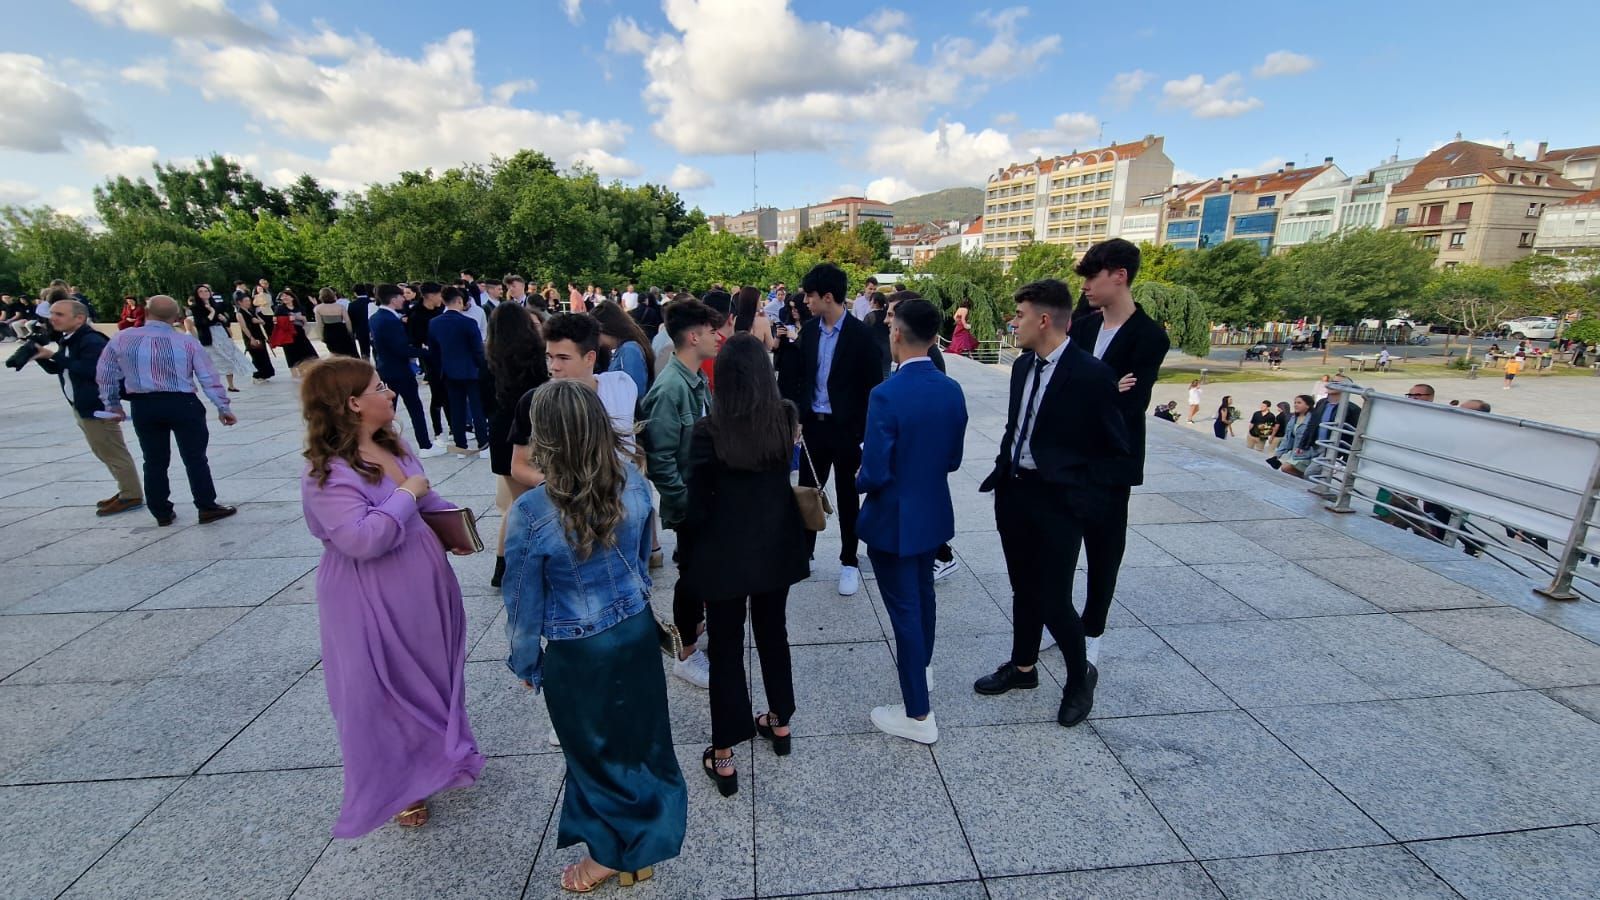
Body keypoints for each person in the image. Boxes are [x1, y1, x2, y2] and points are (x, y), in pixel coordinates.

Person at [503, 380, 686, 893]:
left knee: (594, 755)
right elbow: (646, 554)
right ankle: (642, 840)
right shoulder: (630, 480)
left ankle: (611, 854)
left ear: (547, 437)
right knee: (642, 743)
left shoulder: (533, 511)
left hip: (578, 649)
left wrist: (525, 663)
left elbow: (521, 603)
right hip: (634, 631)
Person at [298, 357, 484, 837]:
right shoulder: (327, 472)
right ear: (354, 403)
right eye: (380, 387)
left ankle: (436, 759)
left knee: (429, 674)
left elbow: (423, 500)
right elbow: (361, 540)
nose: (391, 392)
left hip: (421, 584)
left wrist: (452, 520)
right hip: (367, 595)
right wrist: (407, 492)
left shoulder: (392, 445)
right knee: (381, 689)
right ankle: (401, 785)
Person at [972, 278, 1130, 728]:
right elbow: (1015, 426)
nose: (1012, 322)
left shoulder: (1090, 374)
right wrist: (1005, 470)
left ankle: (1080, 678)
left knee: (1054, 598)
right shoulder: (1023, 366)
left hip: (1059, 502)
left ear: (1044, 319)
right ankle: (1023, 669)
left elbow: (1115, 450)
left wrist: (1078, 498)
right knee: (1024, 586)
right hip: (1015, 491)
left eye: (1019, 315)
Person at [681, 334, 809, 793]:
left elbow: (695, 509)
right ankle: (779, 720)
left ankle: (724, 753)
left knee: (728, 650)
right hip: (776, 546)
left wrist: (686, 557)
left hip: (724, 554)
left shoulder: (708, 432)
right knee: (774, 633)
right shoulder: (786, 418)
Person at [858, 298, 967, 744]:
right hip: (932, 511)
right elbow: (954, 460)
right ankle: (922, 671)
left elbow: (877, 472)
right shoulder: (950, 388)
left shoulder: (886, 394)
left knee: (904, 611)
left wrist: (860, 472)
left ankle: (918, 714)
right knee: (923, 599)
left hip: (894, 520)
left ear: (898, 334)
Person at [1061, 238, 1171, 661]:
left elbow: (1130, 405)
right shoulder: (1084, 327)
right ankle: (1066, 621)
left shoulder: (1148, 336)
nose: (1086, 286)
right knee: (1063, 545)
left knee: (1104, 548)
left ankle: (1093, 631)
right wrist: (1107, 384)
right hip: (1070, 457)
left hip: (1112, 461)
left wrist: (1097, 389)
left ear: (1119, 276)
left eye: (1093, 276)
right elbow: (1063, 389)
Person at [777, 263, 884, 597]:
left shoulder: (861, 335)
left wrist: (862, 432)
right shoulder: (809, 331)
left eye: (810, 295)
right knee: (808, 491)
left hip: (846, 430)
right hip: (813, 427)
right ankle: (804, 554)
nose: (804, 301)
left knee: (849, 496)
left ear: (828, 296)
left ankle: (849, 561)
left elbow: (873, 386)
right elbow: (799, 380)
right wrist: (796, 417)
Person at [96, 295, 239, 527]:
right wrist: (223, 407)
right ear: (175, 317)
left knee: (154, 460)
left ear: (146, 312)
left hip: (144, 405)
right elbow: (208, 377)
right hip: (182, 403)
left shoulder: (122, 338)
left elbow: (106, 374)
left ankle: (161, 511)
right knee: (195, 458)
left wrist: (112, 405)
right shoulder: (186, 342)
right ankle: (206, 506)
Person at [642, 300, 720, 687]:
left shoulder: (695, 377)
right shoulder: (671, 387)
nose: (717, 337)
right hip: (690, 502)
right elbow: (661, 460)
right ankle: (686, 653)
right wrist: (685, 504)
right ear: (693, 336)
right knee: (690, 574)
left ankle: (695, 631)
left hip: (705, 496)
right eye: (710, 331)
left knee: (700, 570)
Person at [30, 294, 144, 516]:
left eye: (59, 314)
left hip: (98, 406)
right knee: (102, 449)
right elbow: (63, 368)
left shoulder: (91, 340)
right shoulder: (71, 337)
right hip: (83, 405)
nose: (53, 318)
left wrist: (54, 355)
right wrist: (41, 357)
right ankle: (125, 489)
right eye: (52, 313)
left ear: (80, 318)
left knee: (112, 451)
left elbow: (94, 371)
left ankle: (131, 495)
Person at [485, 302, 549, 587]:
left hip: (500, 429)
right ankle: (506, 564)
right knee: (521, 505)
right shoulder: (534, 354)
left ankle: (504, 564)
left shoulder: (488, 357)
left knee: (514, 502)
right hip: (528, 428)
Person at [369, 284, 445, 460]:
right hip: (399, 370)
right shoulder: (389, 320)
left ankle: (384, 445)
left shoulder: (376, 317)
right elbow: (401, 348)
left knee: (388, 410)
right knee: (415, 408)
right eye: (401, 296)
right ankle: (425, 445)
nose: (404, 299)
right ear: (393, 298)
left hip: (385, 368)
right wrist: (427, 351)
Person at [428, 287, 490, 459]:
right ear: (459, 301)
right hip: (471, 372)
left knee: (456, 411)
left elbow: (434, 352)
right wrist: (483, 368)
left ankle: (461, 447)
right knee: (477, 409)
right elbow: (478, 351)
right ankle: (483, 445)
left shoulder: (434, 323)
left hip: (448, 372)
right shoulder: (468, 323)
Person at [187, 286, 248, 393]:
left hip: (220, 332)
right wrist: (211, 312)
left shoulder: (216, 304)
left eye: (206, 291)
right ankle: (213, 385)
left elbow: (223, 319)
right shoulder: (196, 307)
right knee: (212, 360)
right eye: (200, 291)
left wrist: (223, 319)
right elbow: (201, 323)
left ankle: (231, 385)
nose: (204, 293)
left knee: (228, 357)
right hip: (208, 335)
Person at [593, 300, 655, 397]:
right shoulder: (623, 350)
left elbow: (635, 391)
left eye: (596, 334)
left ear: (607, 328)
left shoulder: (629, 350)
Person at [273, 289, 320, 375]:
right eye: (283, 296)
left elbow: (304, 320)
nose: (284, 298)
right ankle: (294, 374)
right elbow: (275, 320)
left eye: (287, 296)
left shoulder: (299, 307)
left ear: (292, 297)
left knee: (307, 352)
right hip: (287, 333)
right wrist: (288, 319)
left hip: (300, 333)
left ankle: (304, 371)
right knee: (291, 354)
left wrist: (300, 318)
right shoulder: (280, 308)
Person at [235, 292, 276, 382]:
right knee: (256, 357)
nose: (248, 302)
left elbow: (261, 321)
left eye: (249, 300)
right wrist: (251, 338)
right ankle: (256, 376)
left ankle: (264, 375)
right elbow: (244, 327)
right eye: (245, 301)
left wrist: (258, 321)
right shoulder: (239, 313)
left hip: (259, 334)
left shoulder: (251, 311)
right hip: (251, 336)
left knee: (263, 355)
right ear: (239, 302)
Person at [1274, 395, 1318, 477]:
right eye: (1295, 403)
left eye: (1299, 403)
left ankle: (1307, 478)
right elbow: (1287, 438)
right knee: (1277, 467)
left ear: (1308, 405)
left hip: (1307, 454)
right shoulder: (1293, 418)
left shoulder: (1313, 419)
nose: (1296, 405)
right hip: (1295, 453)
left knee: (1285, 468)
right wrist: (1278, 454)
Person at [314, 287, 360, 357]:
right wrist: (350, 333)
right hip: (341, 330)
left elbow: (320, 324)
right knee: (347, 353)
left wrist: (321, 336)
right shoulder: (340, 307)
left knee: (335, 354)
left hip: (329, 332)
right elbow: (348, 321)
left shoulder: (318, 308)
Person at [732, 285, 777, 352]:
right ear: (754, 302)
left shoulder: (736, 319)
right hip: (756, 359)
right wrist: (778, 336)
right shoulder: (763, 321)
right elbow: (770, 346)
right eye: (759, 300)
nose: (761, 303)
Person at [863, 291, 890, 379]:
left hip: (874, 349)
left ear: (875, 302)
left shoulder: (870, 316)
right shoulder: (888, 315)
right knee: (886, 374)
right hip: (888, 348)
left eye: (871, 300)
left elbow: (863, 333)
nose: (869, 302)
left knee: (873, 376)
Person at [347, 283, 373, 359]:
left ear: (355, 293)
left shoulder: (352, 305)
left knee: (364, 351)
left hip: (360, 331)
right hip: (372, 330)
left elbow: (351, 319)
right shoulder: (372, 302)